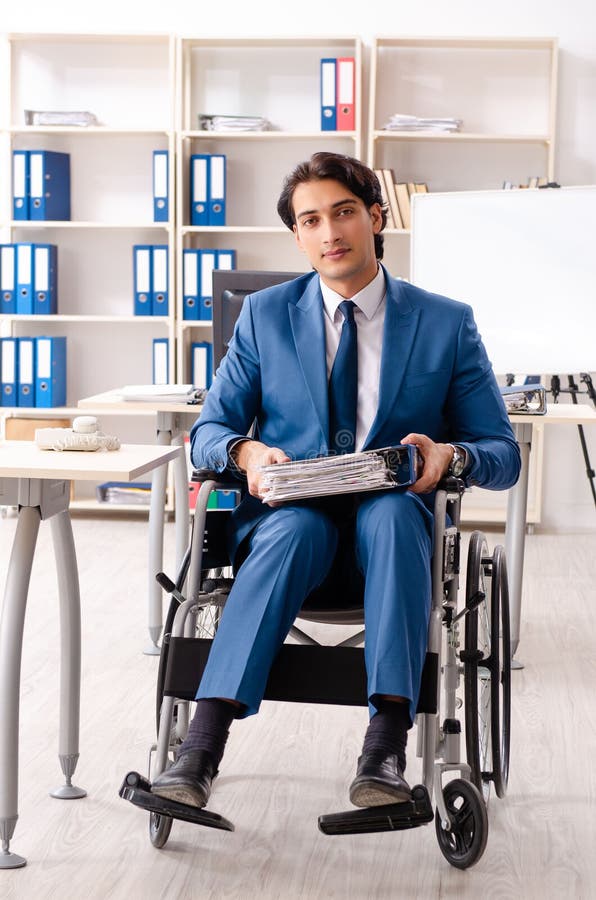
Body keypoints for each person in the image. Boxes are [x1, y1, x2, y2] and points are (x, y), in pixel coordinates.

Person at [152, 152, 520, 810]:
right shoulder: (264, 317)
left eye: (344, 212)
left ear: (376, 218)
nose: (331, 233)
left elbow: (501, 451)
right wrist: (246, 454)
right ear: (297, 236)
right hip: (292, 538)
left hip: (397, 542)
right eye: (312, 220)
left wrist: (448, 458)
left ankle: (384, 749)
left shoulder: (444, 322)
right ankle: (199, 748)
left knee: (392, 513)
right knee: (293, 528)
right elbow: (207, 433)